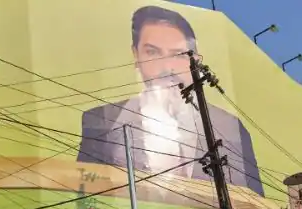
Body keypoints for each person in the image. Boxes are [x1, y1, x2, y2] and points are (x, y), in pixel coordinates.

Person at [76, 5, 264, 197]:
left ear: (196, 61)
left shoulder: (231, 129)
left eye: (179, 55)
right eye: (153, 52)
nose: (167, 67)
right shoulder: (102, 120)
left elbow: (258, 208)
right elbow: (84, 201)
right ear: (136, 55)